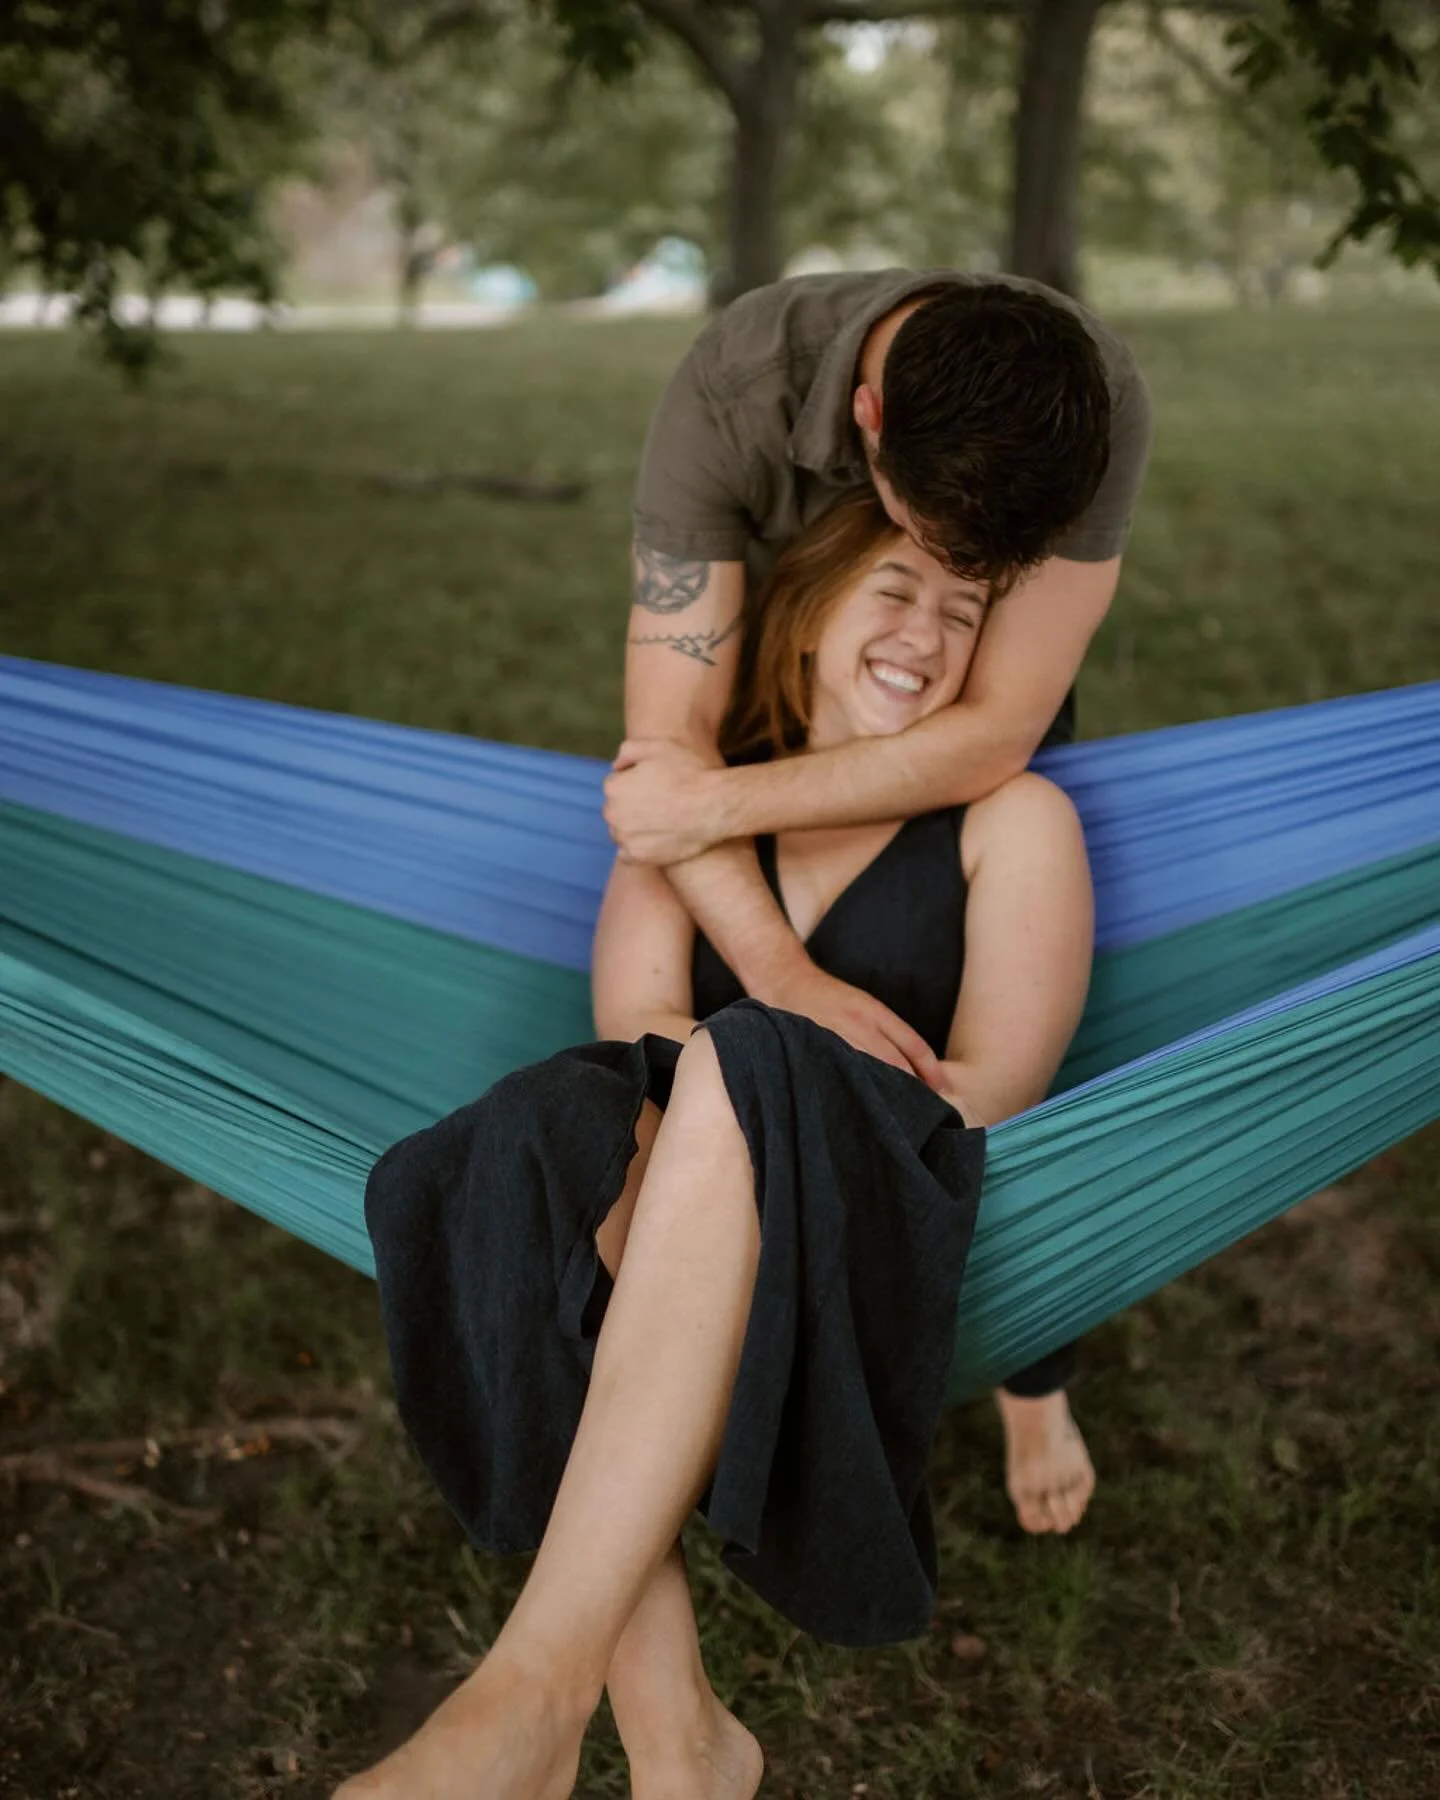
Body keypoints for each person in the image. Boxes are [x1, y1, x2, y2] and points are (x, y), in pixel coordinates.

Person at [338, 490, 1094, 1800]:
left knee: (744, 1057)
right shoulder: (689, 814)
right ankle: (680, 1741)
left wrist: (786, 1064)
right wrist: (755, 1062)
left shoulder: (1013, 819)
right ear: (804, 621)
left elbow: (993, 1093)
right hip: (683, 1232)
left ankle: (536, 1691)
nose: (927, 630)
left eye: (964, 614)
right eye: (895, 590)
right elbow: (630, 1035)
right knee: (523, 1133)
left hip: (890, 1213)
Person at [604, 268, 1152, 1529]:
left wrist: (707, 810)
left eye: (983, 582)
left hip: (964, 790)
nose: (955, 591)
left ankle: (1028, 1363)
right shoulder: (735, 395)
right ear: (863, 415)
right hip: (782, 699)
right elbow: (665, 762)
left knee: (978, 945)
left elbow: (996, 730)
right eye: (924, 561)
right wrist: (788, 979)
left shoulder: (1096, 407)